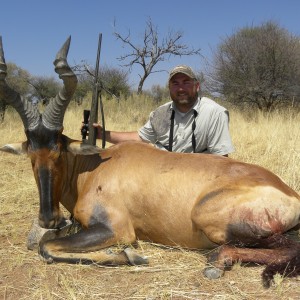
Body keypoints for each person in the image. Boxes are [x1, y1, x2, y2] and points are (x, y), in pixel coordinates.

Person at [93, 65, 234, 156]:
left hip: (197, 178)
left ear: (197, 86)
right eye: (175, 83)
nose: (180, 89)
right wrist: (102, 134)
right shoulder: (160, 114)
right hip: (162, 176)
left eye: (186, 82)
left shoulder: (215, 113)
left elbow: (221, 160)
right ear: (169, 88)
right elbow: (140, 138)